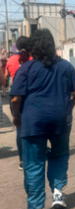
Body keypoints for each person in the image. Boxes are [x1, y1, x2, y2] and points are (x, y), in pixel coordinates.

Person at [9, 29, 75, 209]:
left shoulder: (26, 68)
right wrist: (68, 109)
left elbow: (16, 98)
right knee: (59, 156)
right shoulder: (65, 67)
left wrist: (17, 117)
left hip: (32, 121)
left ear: (33, 46)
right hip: (60, 120)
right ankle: (58, 193)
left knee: (34, 164)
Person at [6, 36, 32, 169]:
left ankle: (22, 160)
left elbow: (5, 78)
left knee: (19, 129)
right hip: (31, 97)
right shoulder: (34, 59)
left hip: (15, 97)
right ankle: (34, 156)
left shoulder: (10, 60)